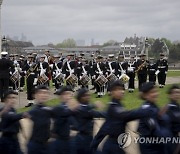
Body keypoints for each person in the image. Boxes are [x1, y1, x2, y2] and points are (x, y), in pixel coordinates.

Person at [91, 81, 159, 154]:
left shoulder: (117, 105)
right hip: (113, 146)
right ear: (111, 93)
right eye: (117, 89)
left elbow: (104, 128)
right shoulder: (114, 108)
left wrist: (94, 144)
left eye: (122, 89)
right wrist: (147, 109)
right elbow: (128, 115)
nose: (122, 91)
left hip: (116, 145)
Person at [138, 82, 172, 154]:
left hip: (157, 145)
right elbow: (157, 132)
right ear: (145, 95)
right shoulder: (146, 110)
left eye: (156, 91)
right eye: (152, 92)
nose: (156, 94)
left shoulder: (153, 105)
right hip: (150, 148)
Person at [73, 88, 106, 154]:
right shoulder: (81, 109)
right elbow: (97, 113)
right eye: (85, 95)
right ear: (80, 97)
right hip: (83, 139)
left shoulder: (84, 108)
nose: (88, 97)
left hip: (88, 138)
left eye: (88, 95)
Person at [49, 86, 78, 154]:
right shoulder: (58, 108)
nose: (69, 96)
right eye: (66, 94)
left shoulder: (74, 108)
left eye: (70, 94)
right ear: (61, 96)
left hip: (71, 141)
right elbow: (63, 115)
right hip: (60, 141)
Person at [27, 85, 51, 154]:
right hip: (35, 145)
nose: (43, 95)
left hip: (46, 145)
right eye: (41, 93)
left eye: (46, 93)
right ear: (35, 95)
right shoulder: (34, 110)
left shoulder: (48, 109)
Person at [165, 85, 180, 154]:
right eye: (175, 92)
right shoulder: (168, 108)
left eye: (178, 93)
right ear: (170, 95)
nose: (177, 94)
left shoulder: (177, 107)